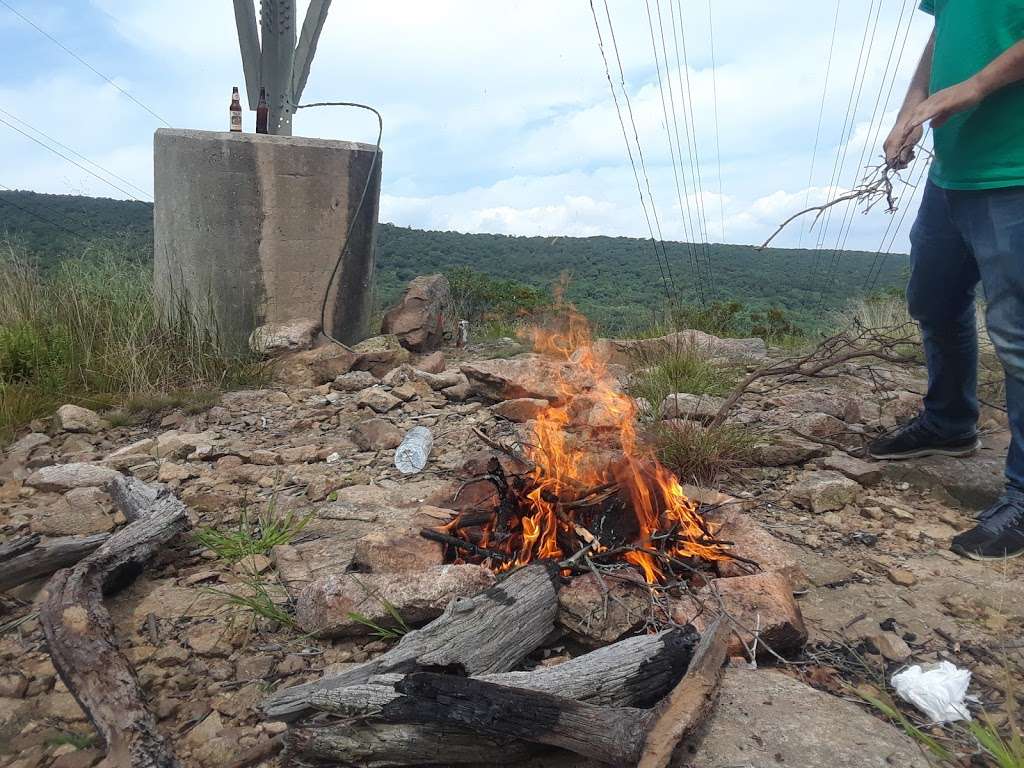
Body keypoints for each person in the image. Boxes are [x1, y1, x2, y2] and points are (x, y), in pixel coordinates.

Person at [867, 1, 1024, 560]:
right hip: (952, 173)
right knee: (933, 298)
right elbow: (943, 36)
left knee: (1016, 333)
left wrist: (977, 85)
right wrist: (909, 112)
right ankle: (950, 422)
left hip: (1016, 170)